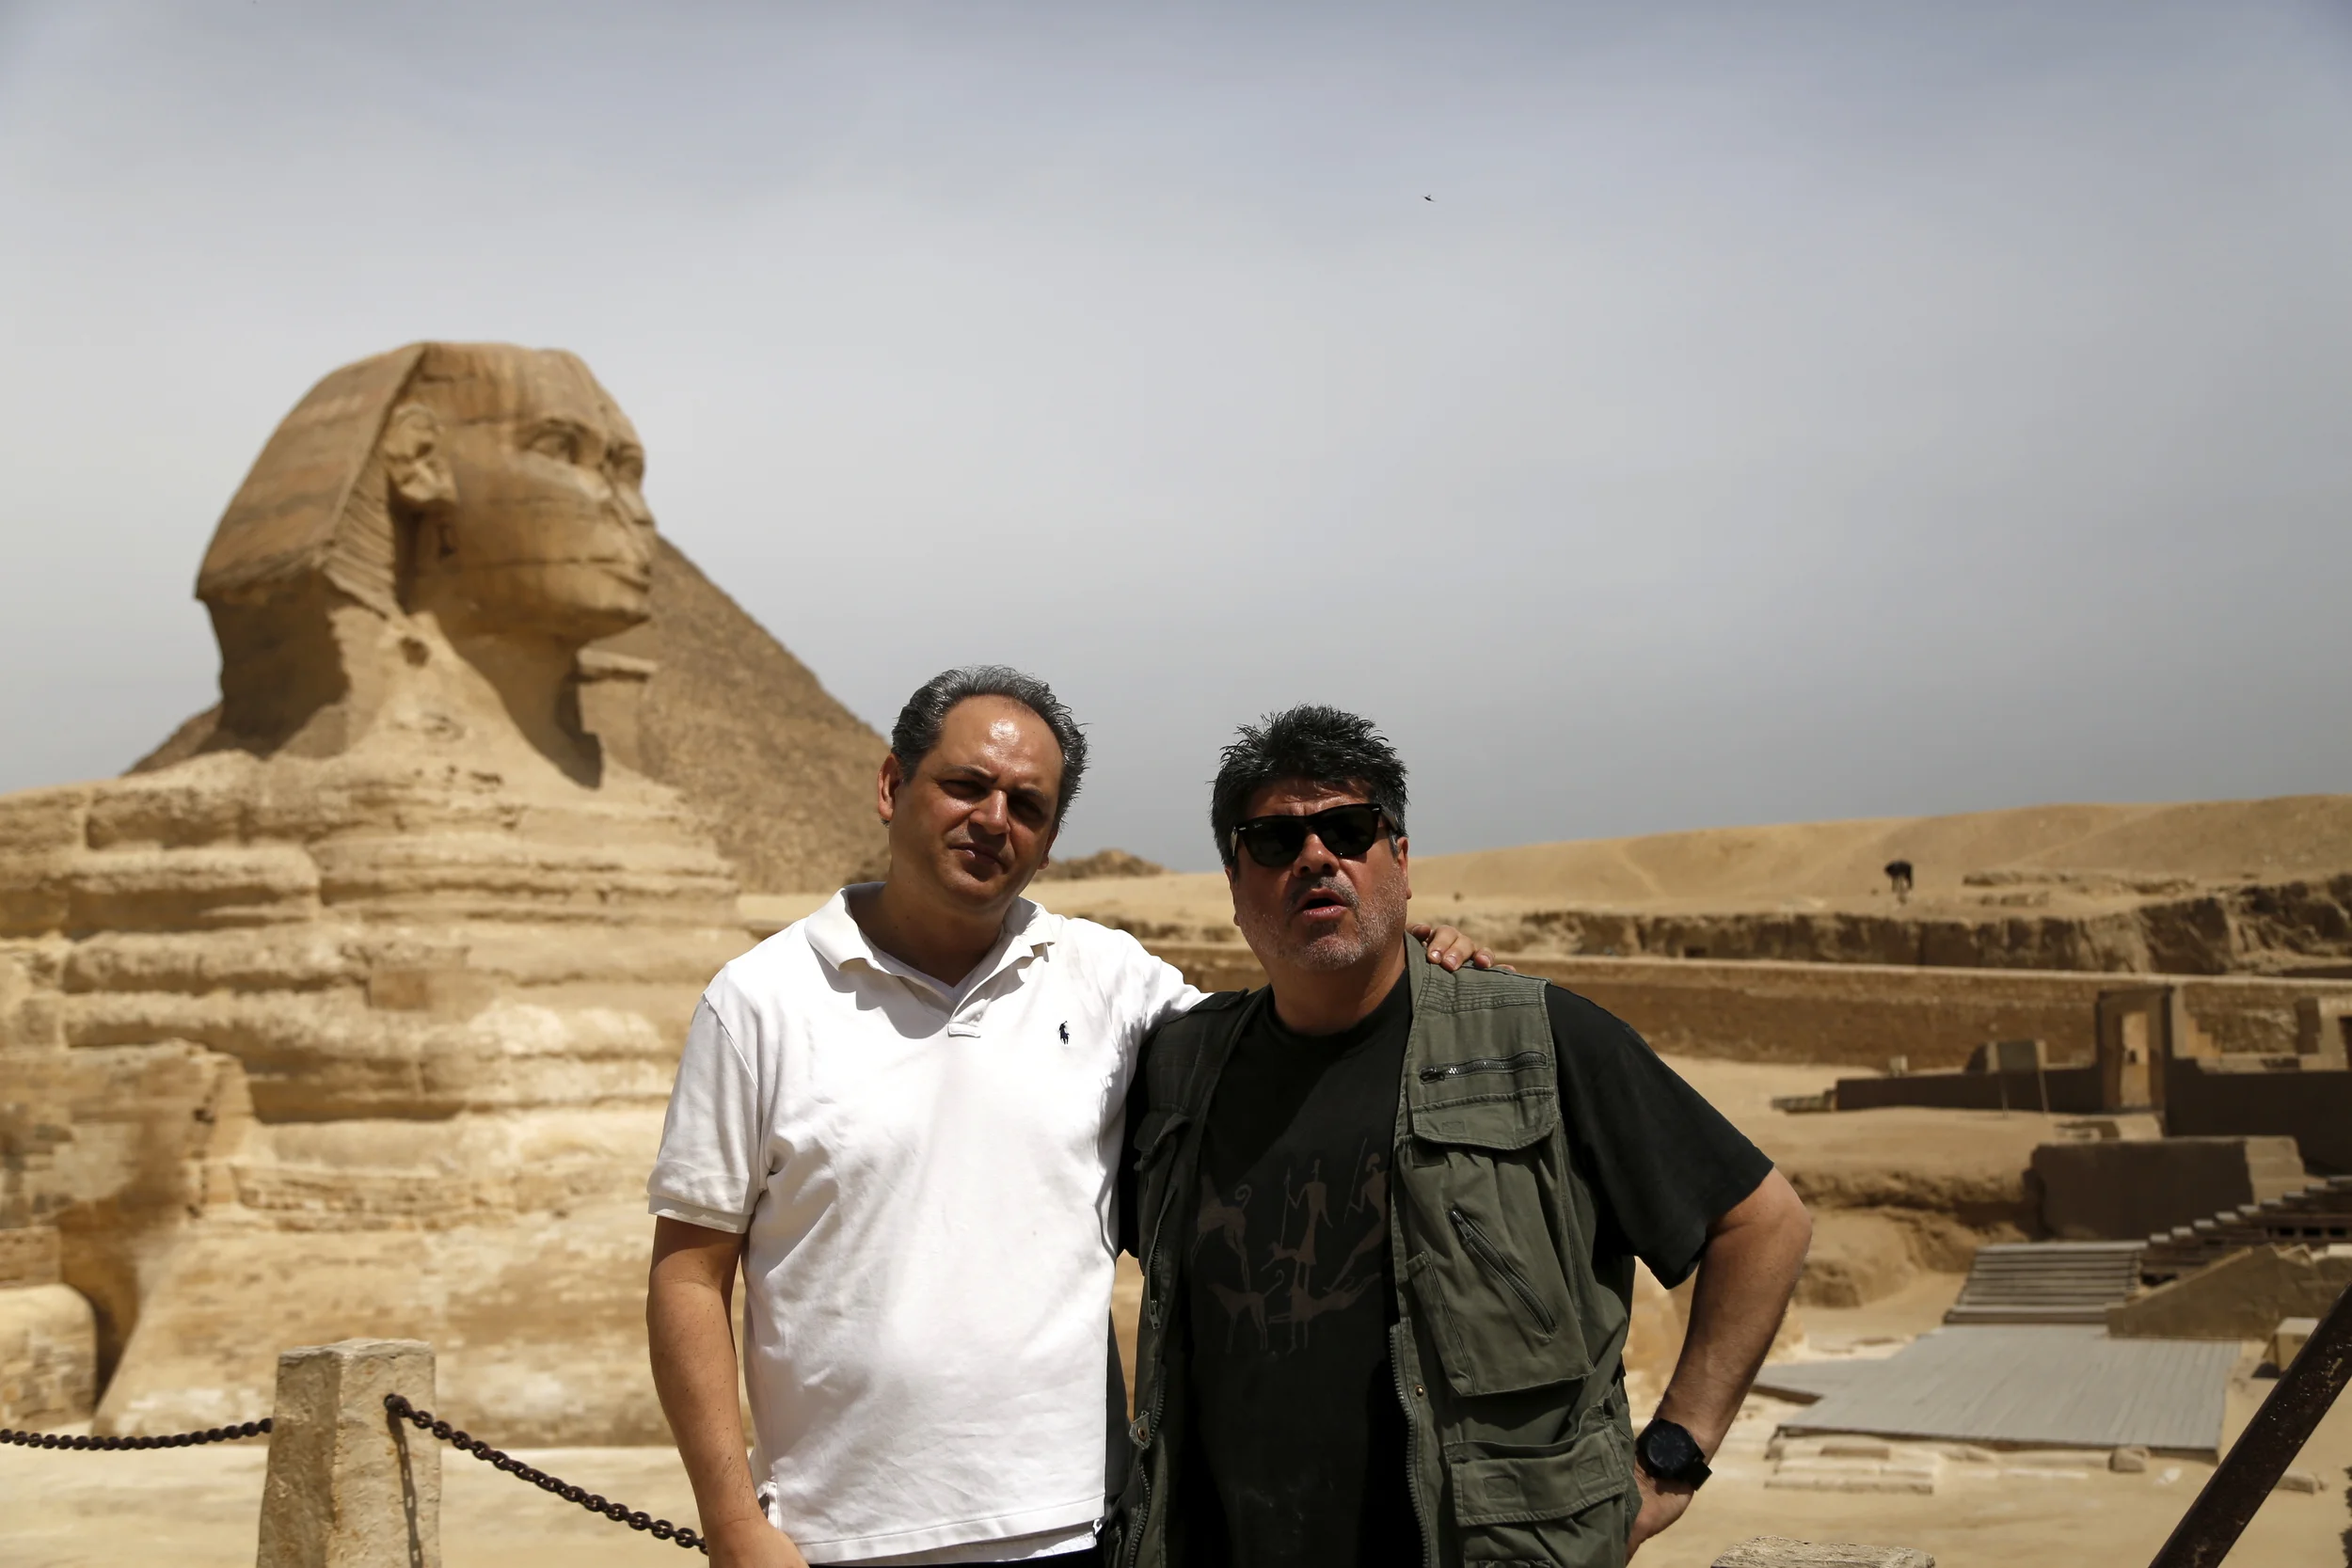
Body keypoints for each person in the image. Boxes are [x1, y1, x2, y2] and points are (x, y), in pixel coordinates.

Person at [644, 668, 1500, 1568]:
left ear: (1049, 841)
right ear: (893, 786)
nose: (992, 818)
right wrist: (732, 1520)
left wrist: (1411, 965)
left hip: (1081, 1529)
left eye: (1027, 804)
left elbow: (1295, 1031)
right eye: (965, 785)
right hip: (838, 1536)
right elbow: (690, 1276)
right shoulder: (760, 1002)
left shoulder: (1108, 979)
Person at [1112, 706, 1812, 1567]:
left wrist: (1671, 1456)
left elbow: (1764, 1221)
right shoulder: (1183, 1066)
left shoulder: (1536, 1041)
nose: (1315, 857)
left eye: (1348, 828)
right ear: (1233, 879)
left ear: (1399, 860)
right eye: (1273, 841)